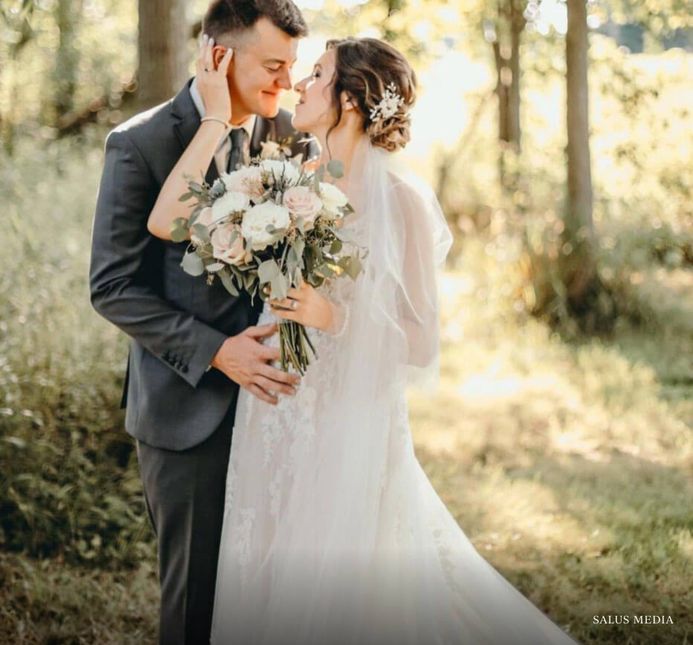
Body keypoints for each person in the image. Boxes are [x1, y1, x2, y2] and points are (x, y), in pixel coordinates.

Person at [146, 35, 581, 645]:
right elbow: (166, 221)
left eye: (317, 74)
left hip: (349, 425)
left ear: (350, 99)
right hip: (271, 412)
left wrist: (335, 317)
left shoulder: (400, 202)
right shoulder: (277, 181)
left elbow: (423, 343)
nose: (298, 83)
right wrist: (216, 114)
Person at [89, 1, 318, 642]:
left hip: (279, 406)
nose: (286, 83)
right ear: (219, 56)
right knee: (195, 606)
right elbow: (112, 288)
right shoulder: (141, 143)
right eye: (273, 67)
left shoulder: (290, 138)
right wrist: (219, 352)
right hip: (188, 412)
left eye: (293, 67)